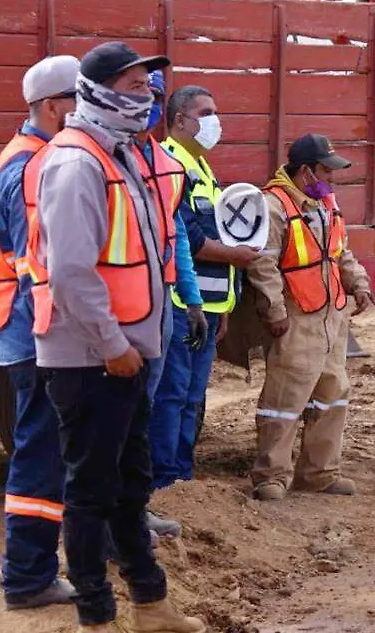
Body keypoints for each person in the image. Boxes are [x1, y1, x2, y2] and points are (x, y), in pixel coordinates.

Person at [24, 41, 204, 633]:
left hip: (126, 354)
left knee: (129, 488)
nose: (146, 96)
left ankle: (150, 605)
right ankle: (96, 617)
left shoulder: (119, 154)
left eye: (147, 86)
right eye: (132, 87)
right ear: (96, 92)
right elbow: (72, 273)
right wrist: (115, 347)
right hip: (92, 359)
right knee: (91, 493)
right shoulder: (77, 163)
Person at [0, 54, 79, 611]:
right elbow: (32, 267)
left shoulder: (34, 157)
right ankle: (28, 577)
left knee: (47, 449)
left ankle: (35, 571)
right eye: (77, 104)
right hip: (33, 333)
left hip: (28, 329)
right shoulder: (29, 166)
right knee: (40, 454)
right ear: (51, 106)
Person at [240, 134, 374, 502]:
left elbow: (340, 252)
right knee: (285, 397)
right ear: (305, 171)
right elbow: (262, 262)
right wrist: (275, 311)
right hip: (297, 317)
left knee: (333, 394)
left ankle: (319, 473)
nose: (332, 178)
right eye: (326, 171)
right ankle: (270, 476)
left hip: (331, 316)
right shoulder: (274, 205)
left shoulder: (325, 203)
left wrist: (358, 285)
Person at [149, 85, 257, 492]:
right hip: (180, 304)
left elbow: (217, 232)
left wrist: (223, 306)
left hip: (207, 306)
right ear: (180, 120)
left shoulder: (202, 168)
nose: (215, 120)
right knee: (172, 397)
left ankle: (182, 476)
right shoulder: (172, 164)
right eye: (206, 112)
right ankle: (165, 479)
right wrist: (236, 258)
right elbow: (189, 239)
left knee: (192, 399)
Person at [135, 71, 208, 539]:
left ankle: (135, 506)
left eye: (153, 96)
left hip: (158, 305)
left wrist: (194, 300)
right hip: (114, 313)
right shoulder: (88, 159)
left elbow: (176, 234)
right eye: (138, 94)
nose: (147, 105)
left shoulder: (163, 165)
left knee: (142, 410)